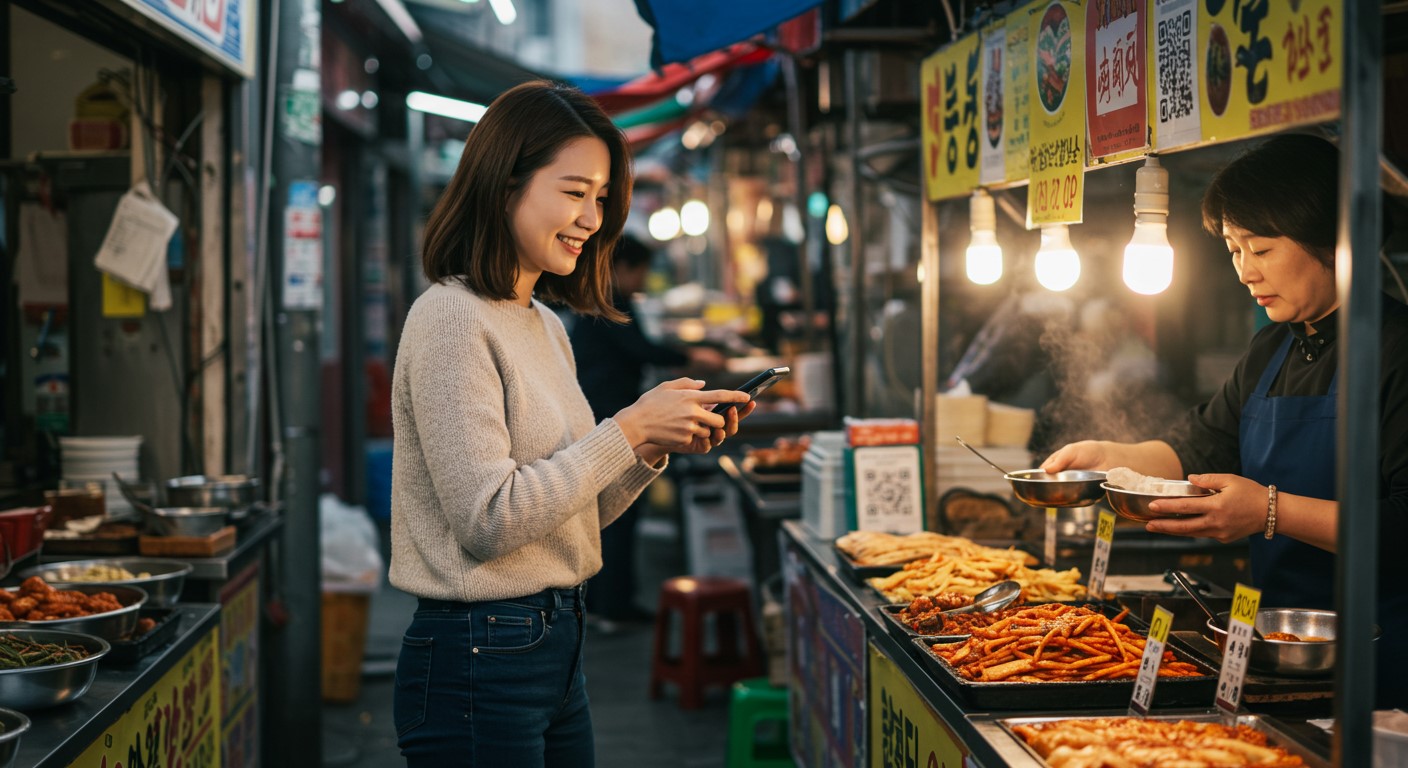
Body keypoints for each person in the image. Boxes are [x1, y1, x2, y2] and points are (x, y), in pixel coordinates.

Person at [388, 80, 754, 766]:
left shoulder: (547, 325)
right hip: (477, 654)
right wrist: (627, 429)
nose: (592, 218)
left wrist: (650, 446)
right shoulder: (451, 318)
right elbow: (489, 520)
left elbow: (574, 515)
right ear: (505, 185)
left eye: (602, 198)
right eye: (575, 191)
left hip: (556, 642)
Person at [1041, 133, 1408, 706]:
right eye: (1234, 251)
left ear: (1333, 239)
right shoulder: (1271, 349)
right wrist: (1111, 458)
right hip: (1276, 651)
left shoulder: (1396, 350)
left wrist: (1268, 511)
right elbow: (1201, 446)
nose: (1244, 272)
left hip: (1383, 661)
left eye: (1260, 249)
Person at [570, 234, 725, 628]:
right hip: (607, 413)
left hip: (603, 409)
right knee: (617, 515)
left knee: (612, 511)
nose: (642, 280)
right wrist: (690, 355)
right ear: (622, 268)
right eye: (640, 271)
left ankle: (607, 602)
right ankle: (613, 606)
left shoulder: (598, 298)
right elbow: (639, 348)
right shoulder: (608, 300)